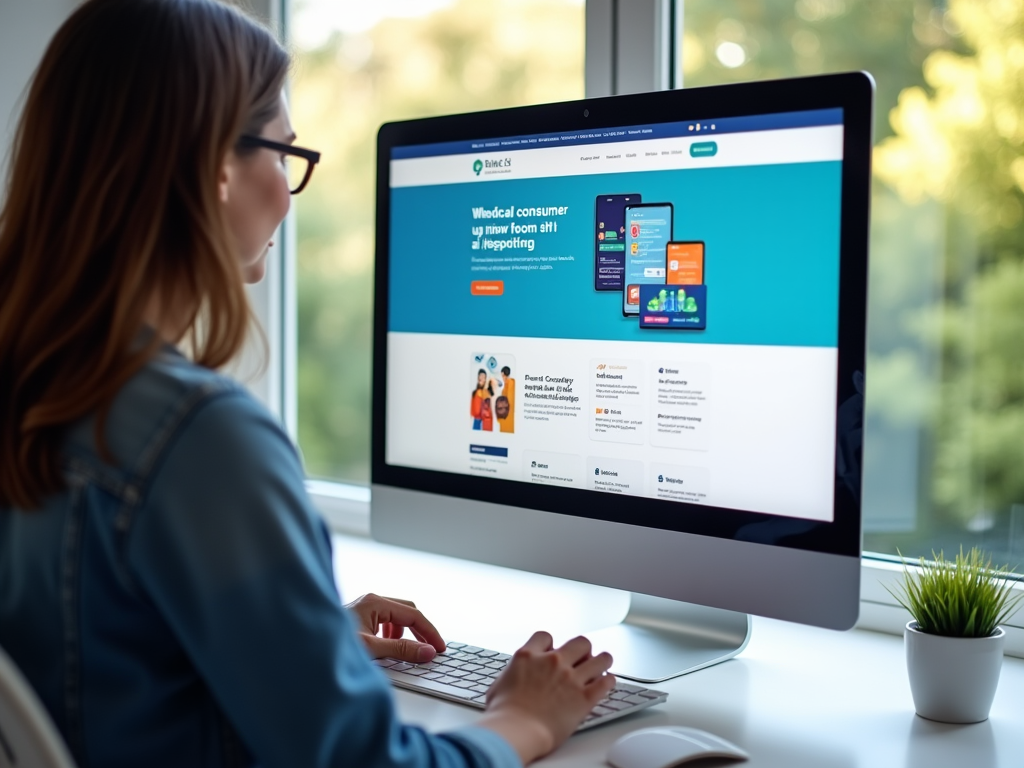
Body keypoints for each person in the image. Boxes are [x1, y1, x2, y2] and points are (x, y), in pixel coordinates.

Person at [0, 2, 615, 767]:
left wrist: (296, 636)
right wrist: (528, 717)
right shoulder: (197, 437)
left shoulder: (35, 385)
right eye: (284, 156)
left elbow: (105, 650)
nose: (290, 196)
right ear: (216, 166)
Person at [496, 365, 515, 433]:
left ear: (504, 374)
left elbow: (509, 402)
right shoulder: (510, 384)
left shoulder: (510, 384)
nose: (502, 378)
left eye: (502, 375)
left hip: (508, 416)